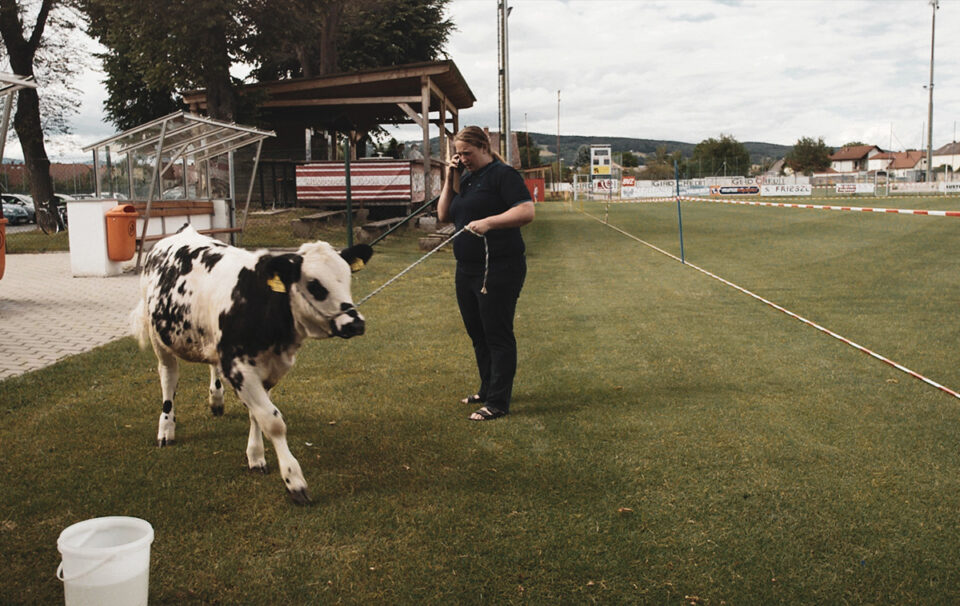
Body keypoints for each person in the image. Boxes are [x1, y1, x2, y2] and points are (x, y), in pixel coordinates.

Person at [437, 126, 535, 421]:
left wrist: (489, 222)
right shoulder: (466, 178)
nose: (463, 158)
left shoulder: (503, 175)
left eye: (467, 153)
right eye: (458, 154)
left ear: (483, 147)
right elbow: (444, 214)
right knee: (477, 333)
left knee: (497, 334)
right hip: (466, 268)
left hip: (499, 268)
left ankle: (498, 401)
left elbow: (527, 211)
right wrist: (449, 177)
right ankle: (486, 387)